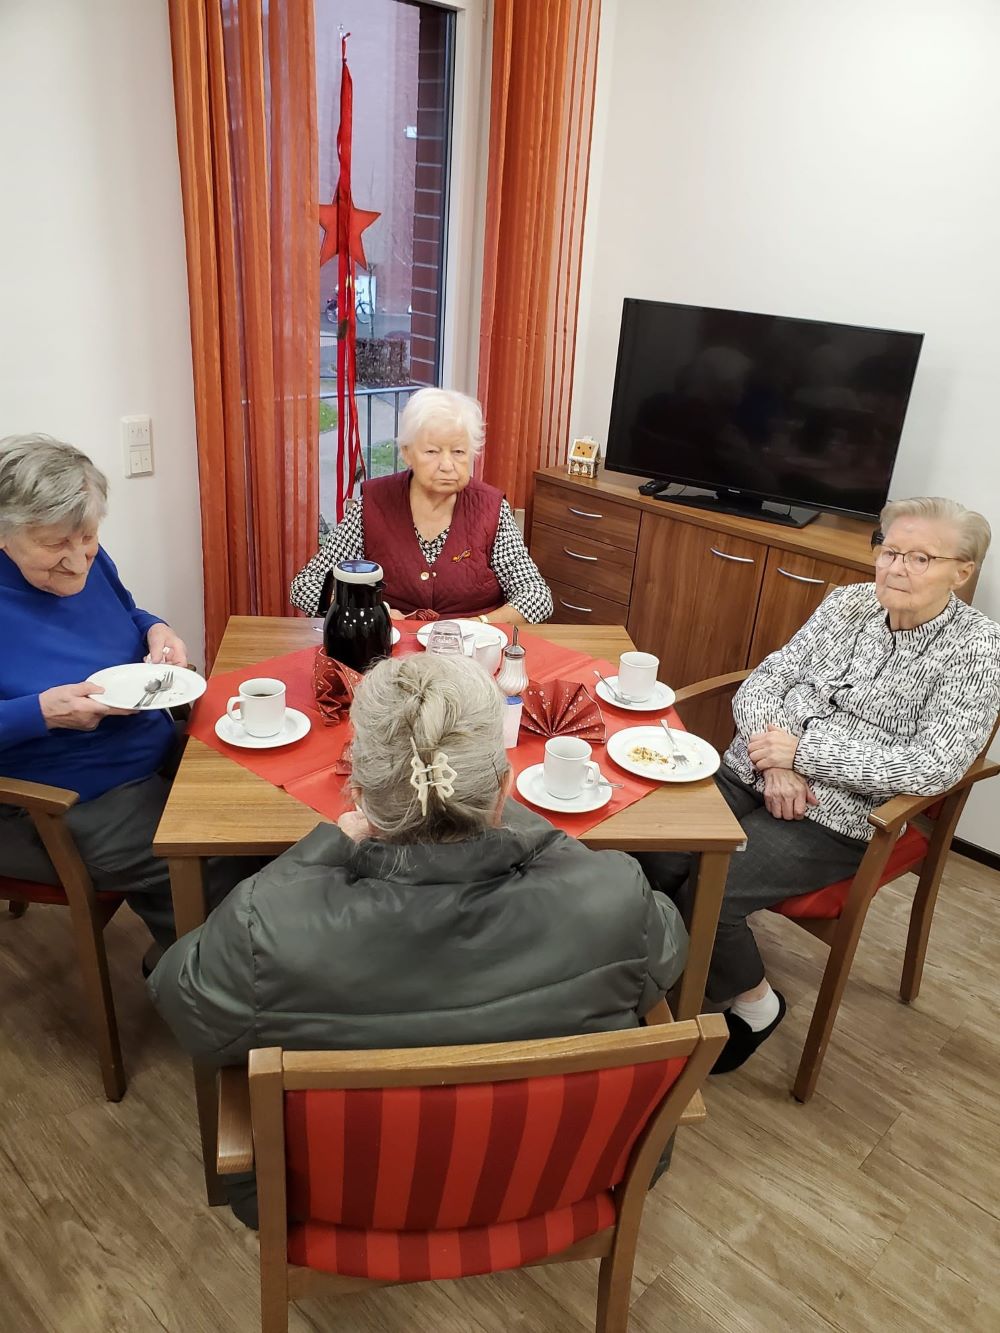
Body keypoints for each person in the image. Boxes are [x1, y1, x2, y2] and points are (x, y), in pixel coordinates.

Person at [150, 652, 688, 1226]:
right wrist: (539, 839)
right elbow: (665, 955)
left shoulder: (268, 922)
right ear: (503, 790)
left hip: (336, 1198)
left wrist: (321, 848)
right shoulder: (614, 894)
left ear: (357, 794)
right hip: (557, 1179)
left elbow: (183, 1002)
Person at [639, 495, 1000, 1074]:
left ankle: (757, 1006)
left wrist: (808, 754)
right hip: (756, 764)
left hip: (840, 814)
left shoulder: (979, 648)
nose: (897, 567)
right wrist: (779, 763)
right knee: (653, 852)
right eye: (890, 550)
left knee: (711, 891)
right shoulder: (847, 604)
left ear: (962, 571)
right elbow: (764, 683)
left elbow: (934, 766)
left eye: (921, 558)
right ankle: (659, 980)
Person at [0, 434, 253, 952]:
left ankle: (193, 956)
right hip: (70, 800)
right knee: (214, 858)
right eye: (54, 546)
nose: (77, 561)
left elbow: (128, 614)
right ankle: (200, 975)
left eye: (87, 536)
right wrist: (41, 713)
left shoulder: (86, 556)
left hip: (152, 748)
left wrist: (156, 629)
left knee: (259, 808)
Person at [290, 387, 552, 626]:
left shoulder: (491, 508)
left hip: (473, 656)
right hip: (384, 653)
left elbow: (536, 595)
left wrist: (479, 624)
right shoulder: (372, 505)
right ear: (407, 452)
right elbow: (306, 586)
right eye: (432, 452)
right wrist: (371, 609)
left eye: (459, 452)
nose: (447, 465)